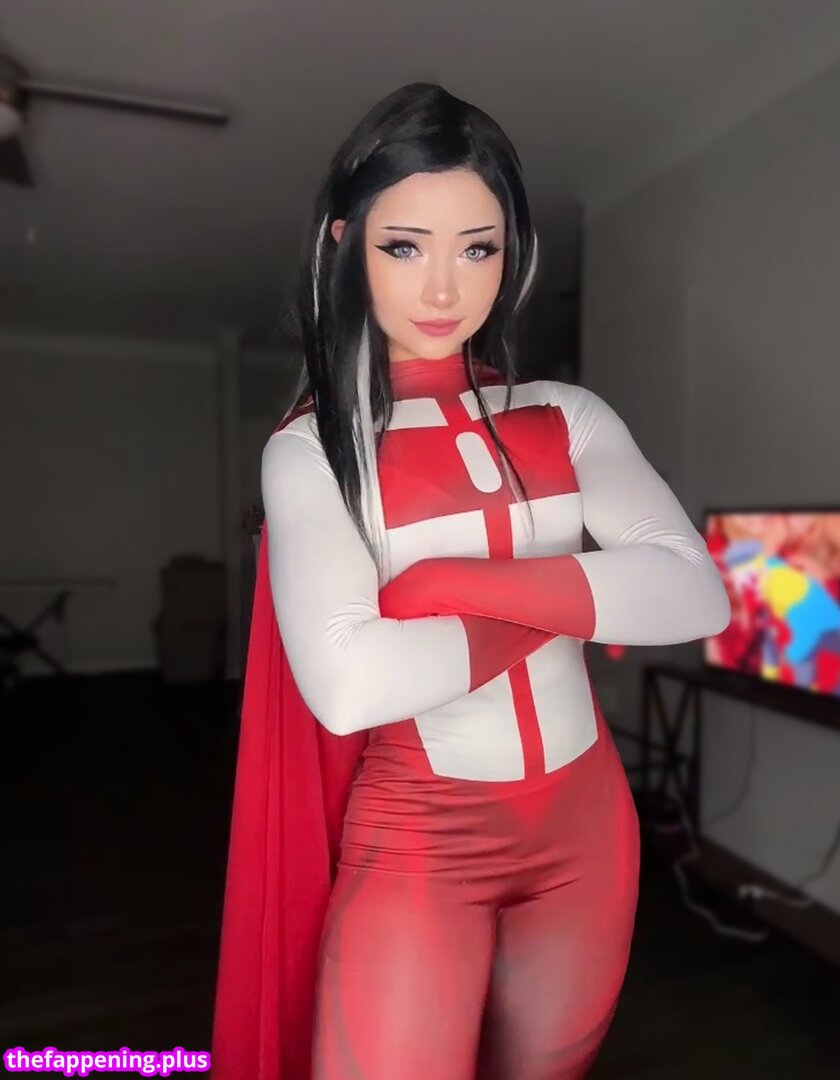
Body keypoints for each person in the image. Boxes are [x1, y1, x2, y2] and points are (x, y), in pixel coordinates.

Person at [210, 82, 731, 1080]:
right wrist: (574, 595)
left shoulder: (565, 413)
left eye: (477, 248)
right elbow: (350, 685)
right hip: (420, 837)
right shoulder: (314, 450)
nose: (444, 288)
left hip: (587, 832)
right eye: (405, 246)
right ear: (345, 245)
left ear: (511, 251)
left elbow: (692, 593)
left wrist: (448, 581)